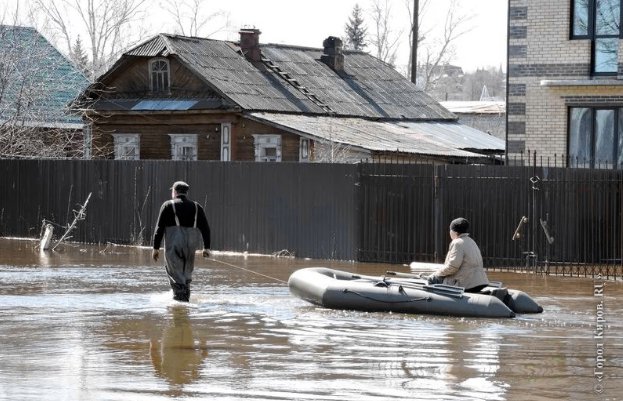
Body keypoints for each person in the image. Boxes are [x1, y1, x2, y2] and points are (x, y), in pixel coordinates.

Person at [152, 181, 211, 302]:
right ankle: (185, 302)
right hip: (190, 248)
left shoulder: (168, 205)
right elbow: (206, 229)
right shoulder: (197, 207)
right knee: (186, 277)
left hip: (174, 246)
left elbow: (159, 228)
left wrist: (155, 248)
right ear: (186, 192)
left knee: (176, 277)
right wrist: (206, 248)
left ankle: (180, 305)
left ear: (174, 192)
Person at [427, 217, 489, 293]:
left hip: (465, 283)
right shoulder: (472, 241)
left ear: (454, 232)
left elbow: (452, 267)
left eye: (450, 230)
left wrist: (437, 273)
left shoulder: (457, 243)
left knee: (432, 279)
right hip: (480, 282)